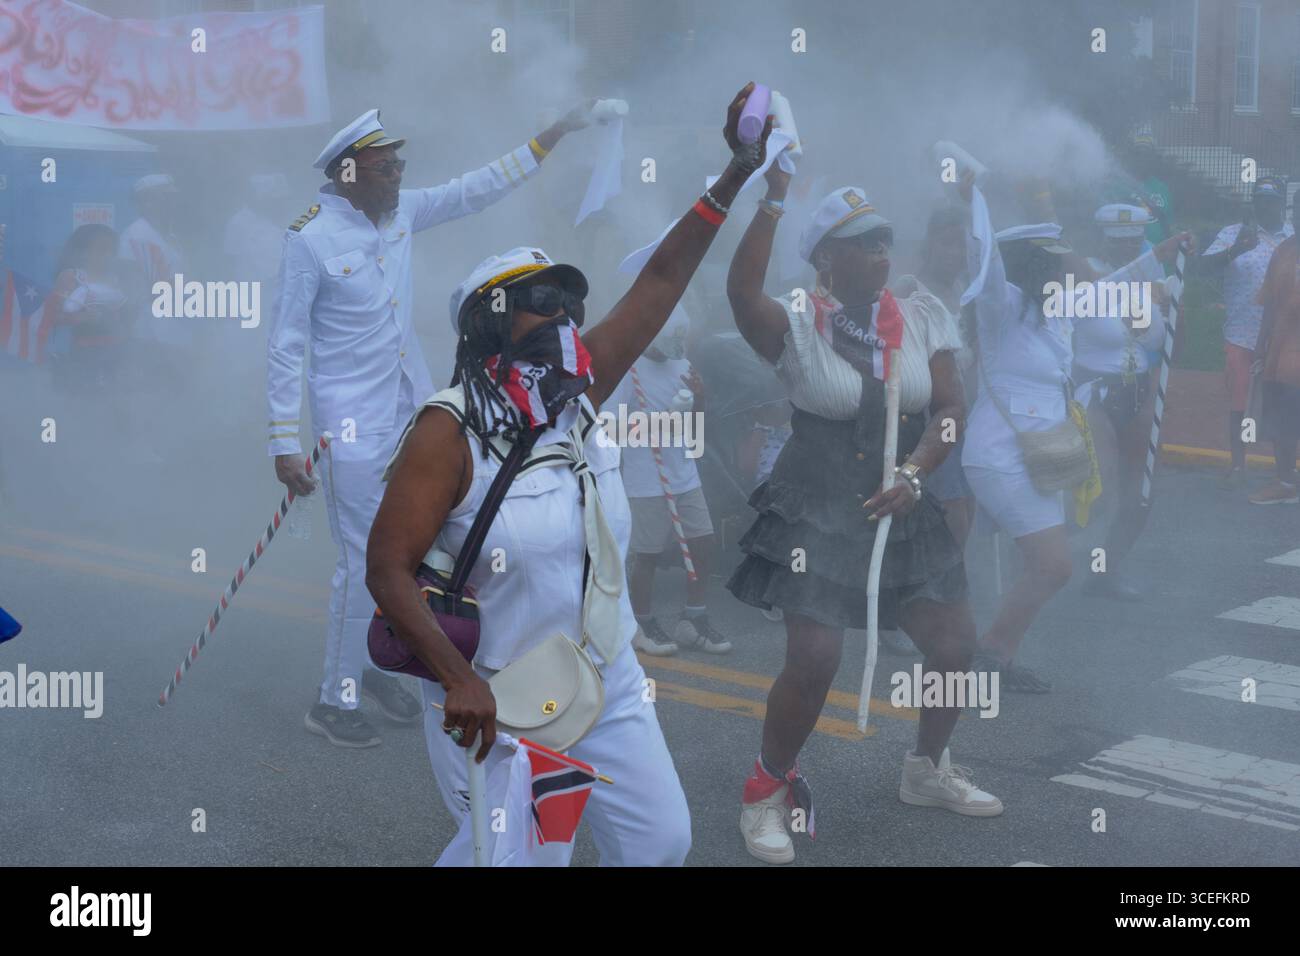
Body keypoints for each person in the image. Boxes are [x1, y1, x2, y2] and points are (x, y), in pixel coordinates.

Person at [365, 83, 771, 865]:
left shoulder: (578, 395)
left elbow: (658, 284)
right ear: (489, 321)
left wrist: (734, 175)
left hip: (603, 679)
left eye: (570, 303)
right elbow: (386, 569)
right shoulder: (446, 432)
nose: (563, 317)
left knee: (660, 841)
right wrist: (457, 680)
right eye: (540, 301)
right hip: (491, 693)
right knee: (515, 857)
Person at [268, 104, 595, 748]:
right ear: (347, 170)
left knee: (419, 550)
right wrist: (283, 439)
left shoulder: (402, 212)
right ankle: (332, 698)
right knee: (366, 558)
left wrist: (547, 139)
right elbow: (286, 341)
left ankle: (377, 664)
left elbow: (473, 189)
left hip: (412, 409)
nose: (398, 177)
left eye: (400, 166)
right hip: (350, 426)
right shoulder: (308, 238)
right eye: (386, 167)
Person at [726, 164, 1002, 866]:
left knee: (954, 646)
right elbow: (740, 291)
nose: (882, 252)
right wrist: (774, 196)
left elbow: (948, 411)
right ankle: (765, 791)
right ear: (825, 256)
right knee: (816, 658)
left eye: (885, 239)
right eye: (862, 242)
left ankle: (927, 769)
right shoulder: (794, 325)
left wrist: (915, 473)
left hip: (903, 502)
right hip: (815, 510)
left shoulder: (918, 316)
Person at [1074, 204, 1189, 600]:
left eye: (1133, 240)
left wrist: (1169, 311)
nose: (1125, 247)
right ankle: (1047, 552)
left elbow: (1160, 340)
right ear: (1101, 238)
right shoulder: (1084, 270)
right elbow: (1093, 301)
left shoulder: (1153, 276)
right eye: (1116, 240)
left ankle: (1104, 568)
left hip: (1138, 389)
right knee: (1101, 487)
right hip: (1092, 390)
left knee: (1140, 493)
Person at [607, 305, 732, 656]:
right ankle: (642, 624)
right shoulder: (628, 371)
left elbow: (695, 427)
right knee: (648, 554)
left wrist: (701, 399)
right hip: (645, 479)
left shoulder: (682, 364)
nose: (678, 348)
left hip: (683, 473)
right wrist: (656, 425)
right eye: (673, 341)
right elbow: (607, 429)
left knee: (703, 543)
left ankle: (692, 618)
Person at [1199, 178, 1294, 490]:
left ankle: (1284, 471)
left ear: (1282, 204)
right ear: (1254, 203)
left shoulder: (1293, 238)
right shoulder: (1232, 233)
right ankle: (1239, 464)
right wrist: (1237, 249)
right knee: (1240, 404)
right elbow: (1202, 269)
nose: (1266, 206)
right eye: (1260, 200)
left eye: (1272, 200)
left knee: (1283, 403)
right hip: (1242, 334)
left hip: (1283, 339)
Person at [47, 224, 129, 394]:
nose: (107, 256)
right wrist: (84, 318)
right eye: (100, 250)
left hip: (115, 354)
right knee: (85, 401)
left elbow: (124, 317)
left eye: (111, 251)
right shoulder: (72, 277)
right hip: (83, 354)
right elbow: (52, 316)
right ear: (83, 251)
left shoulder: (116, 280)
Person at [1251, 232, 1300, 503]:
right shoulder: (1284, 249)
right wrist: (1261, 342)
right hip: (1282, 350)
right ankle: (1285, 480)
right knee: (1282, 417)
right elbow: (1270, 300)